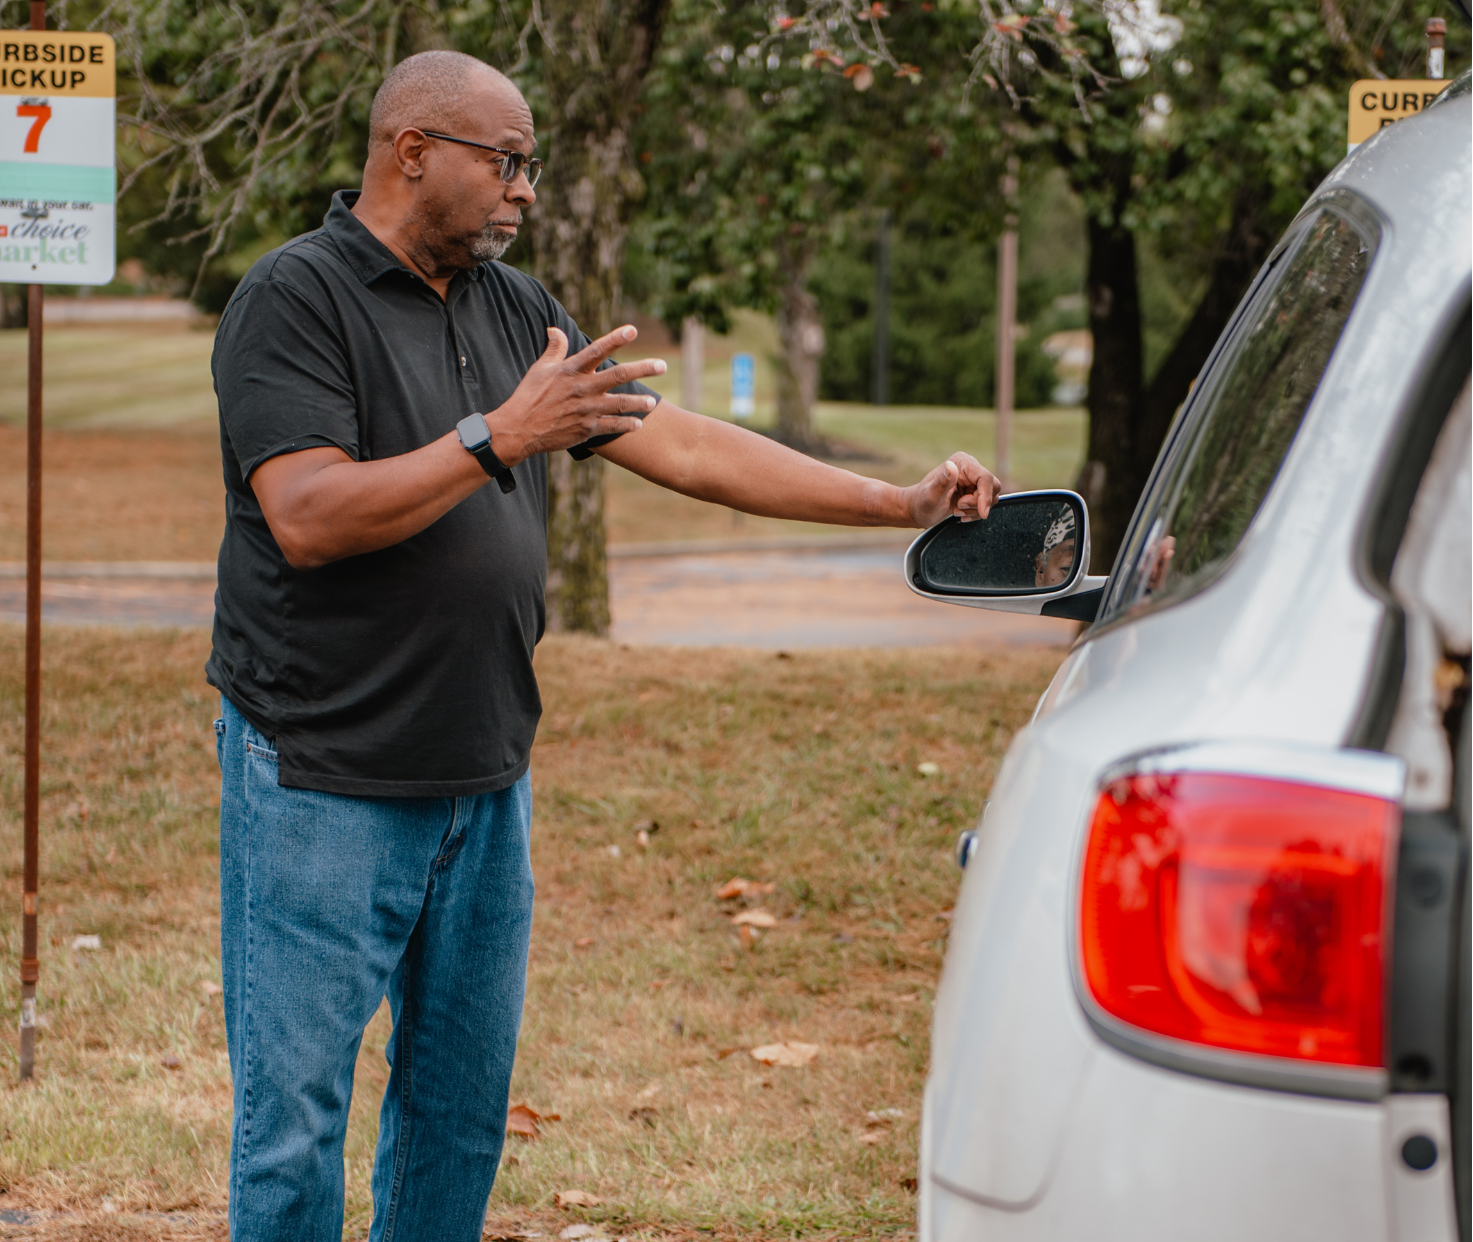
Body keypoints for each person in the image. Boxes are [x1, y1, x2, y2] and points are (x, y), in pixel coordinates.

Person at [207, 48, 1000, 1242]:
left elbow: (685, 444)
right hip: (322, 775)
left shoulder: (514, 307)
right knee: (293, 1127)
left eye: (532, 166)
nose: (526, 190)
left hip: (483, 776)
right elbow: (308, 516)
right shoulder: (294, 297)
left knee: (458, 1115)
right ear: (412, 151)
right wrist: (498, 435)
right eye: (506, 162)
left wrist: (894, 502)